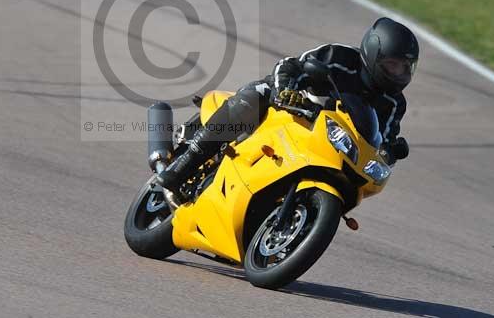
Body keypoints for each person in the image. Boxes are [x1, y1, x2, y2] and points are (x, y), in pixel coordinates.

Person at [157, 17, 418, 196]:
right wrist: (286, 91)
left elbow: (382, 139)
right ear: (374, 54)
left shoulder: (394, 103)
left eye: (406, 67)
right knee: (256, 95)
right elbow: (290, 65)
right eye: (394, 64)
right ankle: (186, 164)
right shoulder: (339, 57)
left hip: (324, 144)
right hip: (289, 109)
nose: (399, 73)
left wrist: (388, 152)